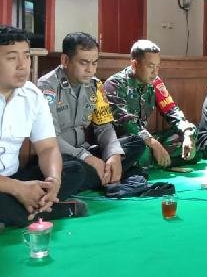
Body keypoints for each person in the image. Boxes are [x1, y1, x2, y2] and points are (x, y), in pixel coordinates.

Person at [0, 26, 86, 227]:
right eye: (12, 58)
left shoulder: (32, 95)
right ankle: (40, 210)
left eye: (26, 56)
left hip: (15, 178)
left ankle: (22, 210)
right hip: (9, 185)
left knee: (74, 170)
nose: (22, 65)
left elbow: (48, 147)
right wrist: (16, 188)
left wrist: (53, 181)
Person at [38, 33, 144, 191]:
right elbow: (50, 139)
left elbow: (104, 127)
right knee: (75, 170)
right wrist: (86, 157)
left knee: (136, 143)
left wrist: (113, 155)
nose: (90, 70)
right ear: (65, 60)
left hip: (86, 151)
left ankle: (105, 174)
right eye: (83, 63)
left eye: (94, 63)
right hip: (61, 157)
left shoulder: (95, 86)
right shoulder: (47, 87)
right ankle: (111, 176)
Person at [104, 40, 197, 168]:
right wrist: (153, 143)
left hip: (147, 139)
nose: (155, 72)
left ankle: (154, 160)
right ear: (134, 64)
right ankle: (158, 160)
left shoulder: (155, 83)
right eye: (150, 66)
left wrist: (187, 133)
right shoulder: (114, 84)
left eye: (157, 66)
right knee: (141, 149)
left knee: (190, 138)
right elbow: (126, 122)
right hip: (125, 142)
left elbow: (171, 111)